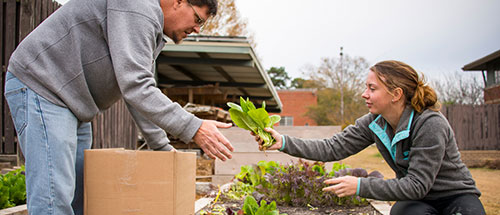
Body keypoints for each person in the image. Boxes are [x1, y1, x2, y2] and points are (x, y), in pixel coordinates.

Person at [3, 0, 234, 214]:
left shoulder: (150, 25)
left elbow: (137, 93)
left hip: (72, 103)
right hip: (43, 86)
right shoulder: (138, 8)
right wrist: (194, 127)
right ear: (179, 2)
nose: (197, 29)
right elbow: (136, 86)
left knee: (82, 196)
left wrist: (162, 147)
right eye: (198, 19)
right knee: (54, 198)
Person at [253, 60, 485, 215]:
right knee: (402, 212)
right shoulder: (374, 123)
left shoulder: (430, 124)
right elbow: (332, 148)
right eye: (366, 87)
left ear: (396, 94)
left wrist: (360, 186)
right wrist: (283, 142)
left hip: (455, 196)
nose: (365, 94)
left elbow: (417, 184)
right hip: (419, 202)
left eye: (372, 88)